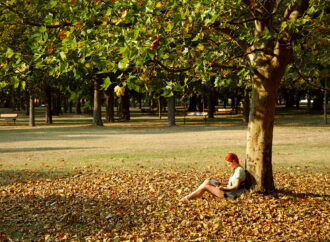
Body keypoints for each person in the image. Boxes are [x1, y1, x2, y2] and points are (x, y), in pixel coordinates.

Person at [180, 153, 247, 202]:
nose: (228, 166)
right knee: (208, 180)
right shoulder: (236, 170)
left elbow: (236, 186)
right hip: (227, 189)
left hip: (230, 194)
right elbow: (231, 184)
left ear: (234, 161)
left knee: (205, 186)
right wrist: (222, 183)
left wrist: (223, 188)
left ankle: (187, 198)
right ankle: (194, 194)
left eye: (229, 164)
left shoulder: (239, 170)